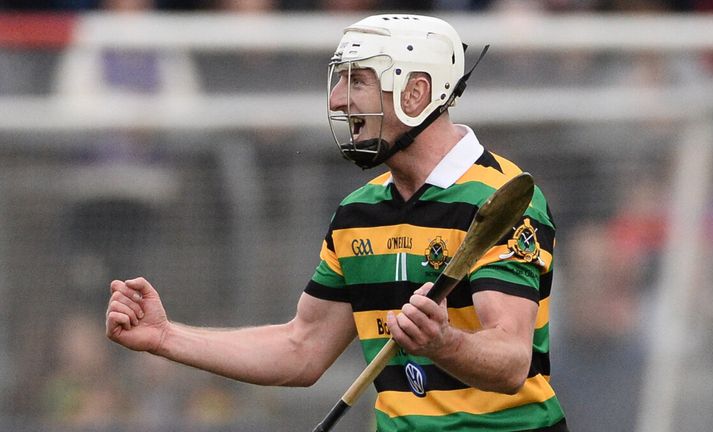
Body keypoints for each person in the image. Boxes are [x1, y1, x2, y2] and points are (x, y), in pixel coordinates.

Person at [106, 14, 567, 431]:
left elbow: (511, 363)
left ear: (416, 92)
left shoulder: (501, 200)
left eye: (358, 81)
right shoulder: (357, 214)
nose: (338, 100)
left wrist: (442, 342)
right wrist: (166, 337)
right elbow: (301, 349)